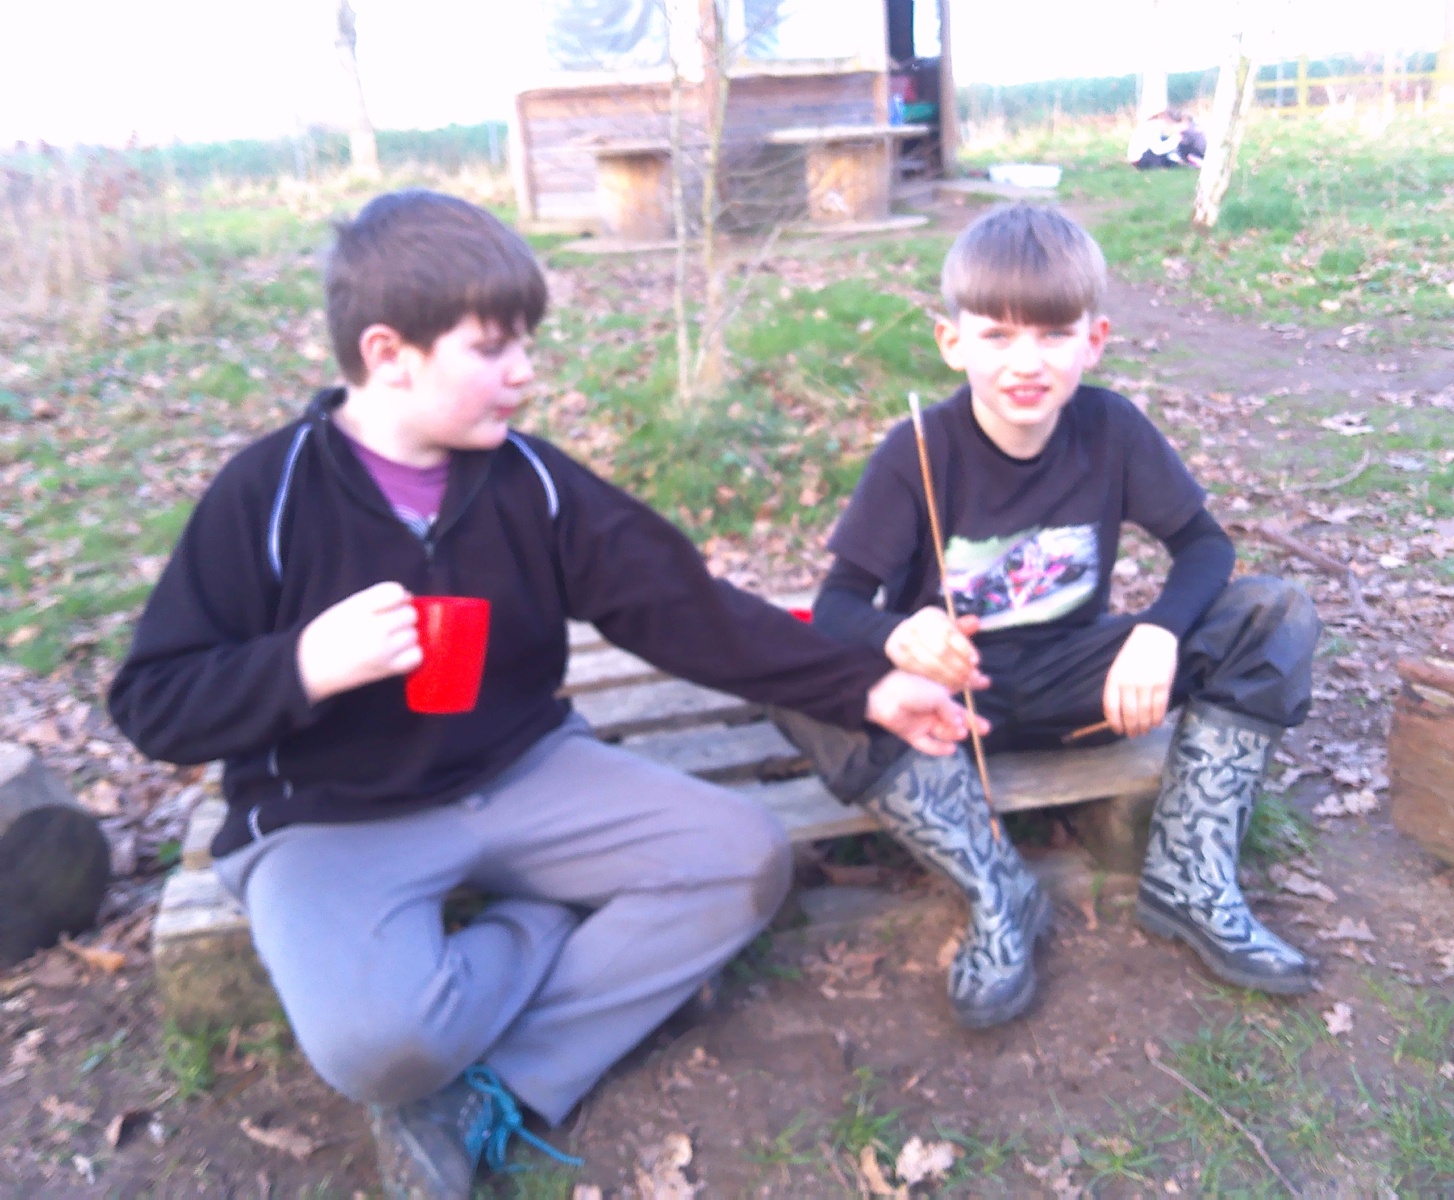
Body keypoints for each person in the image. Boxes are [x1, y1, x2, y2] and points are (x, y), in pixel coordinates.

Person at [107, 189, 977, 1199]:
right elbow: (153, 702)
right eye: (492, 348)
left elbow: (686, 610)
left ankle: (498, 1087)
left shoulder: (531, 483)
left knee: (742, 859)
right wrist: (301, 665)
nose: (525, 370)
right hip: (328, 819)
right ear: (390, 354)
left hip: (525, 774)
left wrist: (866, 687)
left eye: (527, 342)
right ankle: (543, 929)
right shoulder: (269, 495)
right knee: (378, 1047)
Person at [770, 204, 1320, 1032]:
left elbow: (1205, 546)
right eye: (996, 335)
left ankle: (1191, 875)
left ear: (1093, 340)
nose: (1025, 362)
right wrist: (896, 634)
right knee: (788, 664)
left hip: (1079, 684)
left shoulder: (1111, 428)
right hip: (947, 710)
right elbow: (839, 605)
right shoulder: (918, 449)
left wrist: (1158, 631)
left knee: (1275, 611)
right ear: (952, 341)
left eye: (1054, 334)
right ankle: (997, 889)